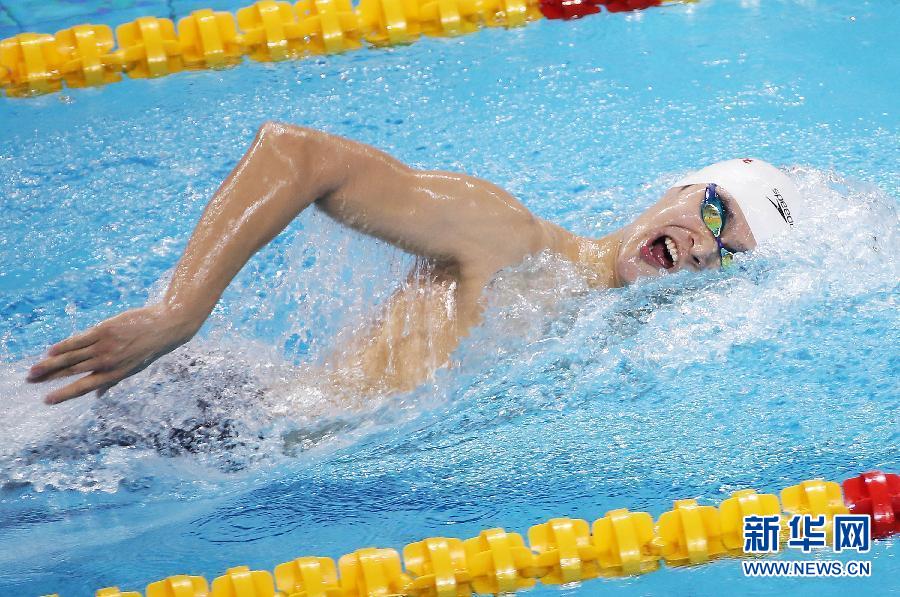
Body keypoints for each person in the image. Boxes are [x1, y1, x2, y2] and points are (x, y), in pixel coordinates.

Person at [26, 123, 804, 404]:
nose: (705, 244)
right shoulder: (512, 237)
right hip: (203, 422)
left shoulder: (600, 333)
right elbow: (298, 154)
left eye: (728, 257)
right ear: (674, 187)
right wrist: (179, 312)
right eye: (713, 210)